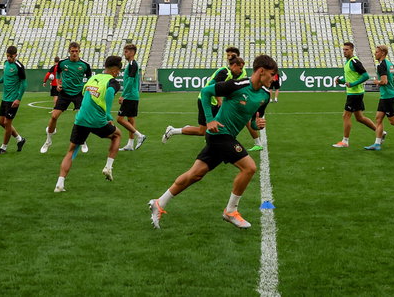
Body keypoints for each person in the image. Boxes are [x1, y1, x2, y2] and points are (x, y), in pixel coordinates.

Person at [148, 54, 278, 230]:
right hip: (218, 134)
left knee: (195, 174)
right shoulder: (238, 85)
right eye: (272, 74)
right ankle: (231, 211)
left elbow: (254, 120)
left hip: (226, 136)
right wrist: (209, 119)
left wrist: (258, 124)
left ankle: (159, 202)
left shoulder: (265, 95)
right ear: (261, 71)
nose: (274, 78)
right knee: (249, 168)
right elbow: (206, 91)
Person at [55, 56, 124, 192]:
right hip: (97, 120)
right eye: (118, 71)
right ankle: (108, 167)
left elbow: (84, 92)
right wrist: (108, 115)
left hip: (81, 118)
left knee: (71, 150)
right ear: (115, 70)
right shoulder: (113, 82)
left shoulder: (93, 78)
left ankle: (59, 183)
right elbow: (110, 93)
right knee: (117, 135)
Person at [164, 47, 241, 142]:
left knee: (219, 125)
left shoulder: (228, 72)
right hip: (206, 101)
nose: (241, 71)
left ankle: (215, 141)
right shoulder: (224, 72)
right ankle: (173, 131)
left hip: (213, 102)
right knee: (202, 131)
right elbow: (212, 85)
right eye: (240, 68)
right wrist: (219, 99)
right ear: (234, 65)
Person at [40, 42, 92, 155]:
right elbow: (58, 73)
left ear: (79, 51)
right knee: (54, 116)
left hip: (78, 93)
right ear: (69, 51)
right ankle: (48, 141)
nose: (74, 53)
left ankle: (82, 141)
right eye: (72, 51)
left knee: (82, 118)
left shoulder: (85, 65)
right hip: (64, 93)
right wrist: (58, 83)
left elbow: (89, 78)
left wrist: (87, 88)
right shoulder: (63, 63)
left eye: (76, 51)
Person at [333, 42, 377, 148]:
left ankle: (345, 141)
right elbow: (349, 79)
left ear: (352, 50)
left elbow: (366, 76)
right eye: (343, 49)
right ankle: (380, 132)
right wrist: (341, 81)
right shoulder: (348, 62)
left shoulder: (355, 61)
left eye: (347, 49)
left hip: (355, 94)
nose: (344, 51)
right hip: (355, 93)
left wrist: (353, 84)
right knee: (360, 118)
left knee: (346, 116)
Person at [0, 45, 27, 155]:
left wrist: (18, 99)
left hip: (13, 100)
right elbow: (5, 77)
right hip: (4, 98)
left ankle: (4, 147)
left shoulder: (19, 66)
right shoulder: (5, 64)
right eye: (7, 56)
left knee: (7, 123)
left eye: (11, 56)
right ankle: (20, 139)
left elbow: (24, 83)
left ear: (15, 55)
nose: (9, 58)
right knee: (1, 122)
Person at [117, 43, 147, 151]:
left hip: (129, 96)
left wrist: (123, 95)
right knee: (130, 119)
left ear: (133, 52)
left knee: (120, 119)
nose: (125, 54)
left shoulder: (132, 64)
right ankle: (130, 144)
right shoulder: (131, 64)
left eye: (127, 51)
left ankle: (140, 136)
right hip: (133, 96)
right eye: (124, 51)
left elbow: (130, 81)